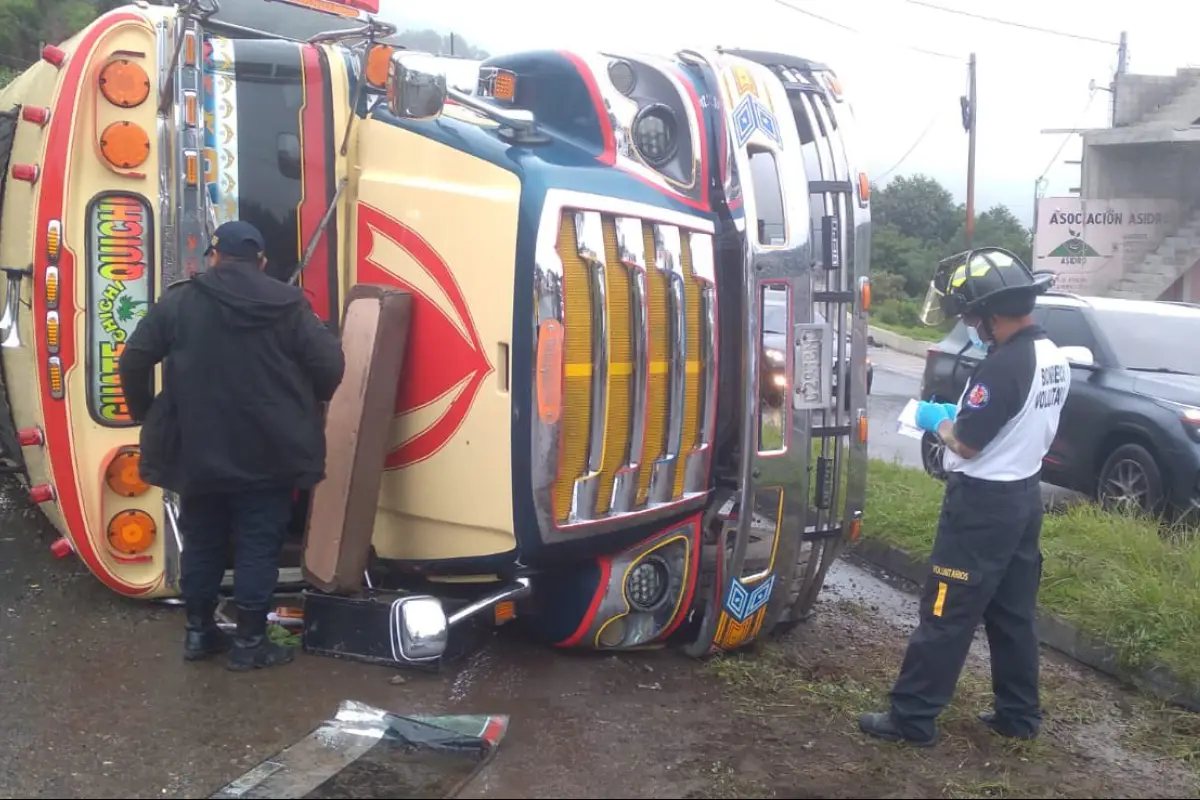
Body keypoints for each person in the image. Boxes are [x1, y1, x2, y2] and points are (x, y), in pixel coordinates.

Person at [859, 248, 1070, 746]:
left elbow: (968, 444)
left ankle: (912, 718)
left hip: (981, 507)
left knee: (945, 612)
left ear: (993, 315)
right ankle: (1018, 715)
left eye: (973, 316)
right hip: (1023, 498)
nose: (972, 326)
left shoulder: (1003, 367)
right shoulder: (1051, 355)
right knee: (1013, 613)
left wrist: (937, 422)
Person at [119, 220, 345, 671]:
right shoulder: (290, 306)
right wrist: (309, 398)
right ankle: (250, 643)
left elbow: (134, 358)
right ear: (261, 261)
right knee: (258, 545)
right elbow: (330, 365)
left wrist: (147, 411)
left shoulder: (180, 302)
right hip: (271, 448)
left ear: (214, 256)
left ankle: (200, 633)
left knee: (202, 541)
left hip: (196, 448)